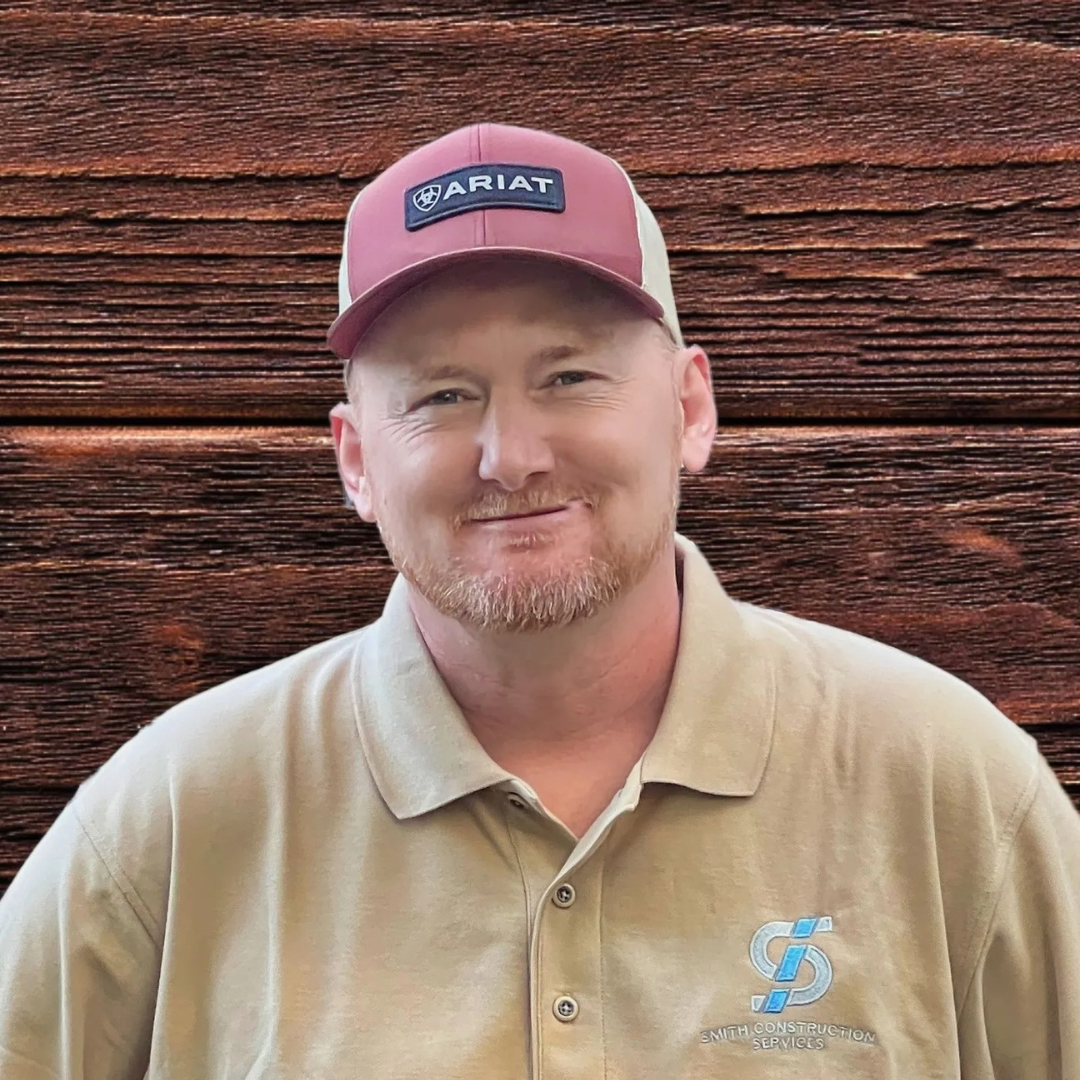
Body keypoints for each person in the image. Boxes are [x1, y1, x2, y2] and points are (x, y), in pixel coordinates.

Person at [0, 122, 1077, 1079]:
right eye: (441, 394)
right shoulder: (171, 819)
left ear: (690, 408)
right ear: (355, 459)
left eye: (569, 377)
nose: (510, 456)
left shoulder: (950, 788)